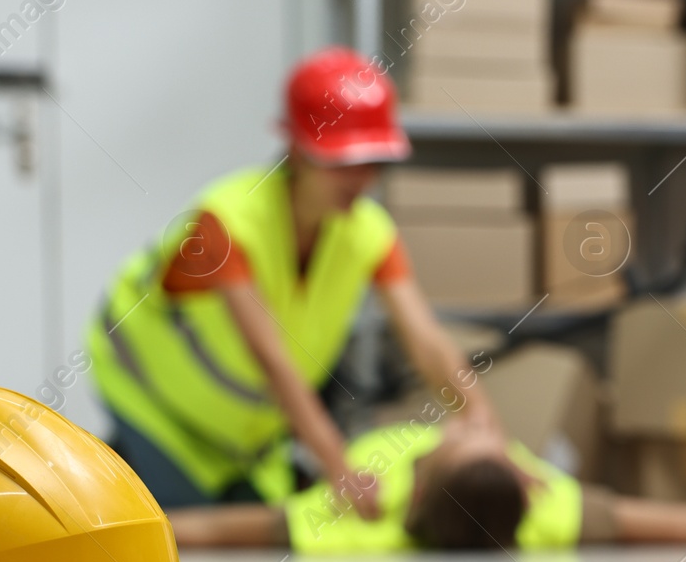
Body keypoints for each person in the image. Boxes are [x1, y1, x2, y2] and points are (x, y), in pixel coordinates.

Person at [84, 47, 498, 516]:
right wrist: (338, 469)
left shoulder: (369, 231)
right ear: (297, 149)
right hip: (155, 401)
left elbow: (426, 341)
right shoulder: (228, 221)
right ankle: (112, 462)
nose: (359, 180)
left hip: (244, 432)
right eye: (342, 162)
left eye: (373, 163)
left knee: (255, 525)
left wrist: (486, 430)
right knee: (172, 527)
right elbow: (272, 357)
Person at [166, 418, 686, 552]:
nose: (475, 426)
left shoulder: (355, 517)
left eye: (471, 439)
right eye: (494, 445)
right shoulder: (549, 512)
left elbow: (216, 530)